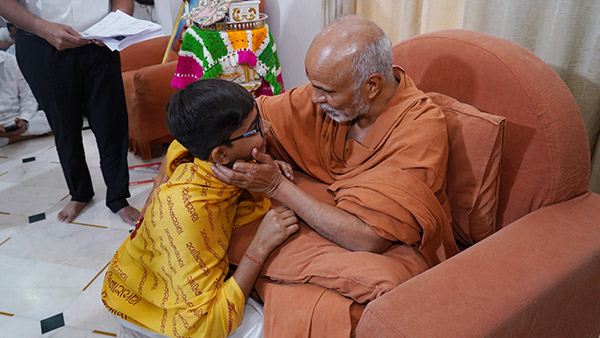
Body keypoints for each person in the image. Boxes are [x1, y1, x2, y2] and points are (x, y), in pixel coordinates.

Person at [146, 15, 459, 336]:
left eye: (326, 91)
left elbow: (369, 238)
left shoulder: (419, 128)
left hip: (371, 241)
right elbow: (244, 120)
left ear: (372, 85)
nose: (313, 98)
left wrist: (275, 185)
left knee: (318, 309)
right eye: (313, 85)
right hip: (317, 217)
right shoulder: (325, 103)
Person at [101, 78, 299, 338]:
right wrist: (259, 247)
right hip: (152, 318)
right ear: (220, 155)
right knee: (265, 326)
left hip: (137, 292)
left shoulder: (193, 153)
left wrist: (267, 161)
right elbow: (207, 326)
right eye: (255, 129)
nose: (268, 130)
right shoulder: (192, 213)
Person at [0, 0, 141, 225]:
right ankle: (79, 193)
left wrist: (117, 20)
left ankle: (118, 197)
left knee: (111, 123)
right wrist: (41, 27)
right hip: (41, 43)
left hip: (99, 42)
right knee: (63, 126)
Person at [0, 50, 51, 146]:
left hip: (18, 117)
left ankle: (9, 138)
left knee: (52, 118)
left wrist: (24, 119)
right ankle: (21, 136)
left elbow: (28, 96)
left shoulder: (10, 60)